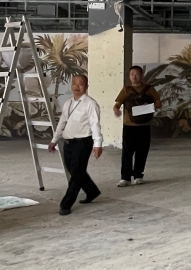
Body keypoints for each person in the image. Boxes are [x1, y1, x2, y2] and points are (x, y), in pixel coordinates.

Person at [47, 74, 102, 215]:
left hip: (83, 142)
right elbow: (62, 122)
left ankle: (66, 204)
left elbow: (95, 124)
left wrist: (98, 144)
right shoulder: (68, 103)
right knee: (73, 170)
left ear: (86, 86)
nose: (77, 86)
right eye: (74, 83)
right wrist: (54, 140)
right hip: (68, 142)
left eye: (81, 83)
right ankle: (92, 191)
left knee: (76, 174)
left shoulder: (91, 104)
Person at [113, 65, 161, 187]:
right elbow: (117, 103)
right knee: (127, 152)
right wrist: (116, 109)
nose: (134, 77)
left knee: (142, 151)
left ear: (141, 75)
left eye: (137, 74)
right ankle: (125, 178)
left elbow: (158, 103)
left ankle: (138, 176)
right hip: (129, 126)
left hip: (144, 126)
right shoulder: (126, 90)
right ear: (129, 76)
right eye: (132, 74)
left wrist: (150, 106)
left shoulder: (150, 89)